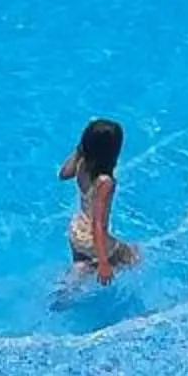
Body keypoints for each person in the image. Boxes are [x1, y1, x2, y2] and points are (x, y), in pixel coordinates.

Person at [61, 117, 137, 283]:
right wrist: (104, 263)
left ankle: (68, 285)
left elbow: (64, 174)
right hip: (91, 238)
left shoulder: (82, 163)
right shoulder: (105, 182)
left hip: (76, 230)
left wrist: (80, 150)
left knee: (82, 269)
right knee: (134, 258)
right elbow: (98, 224)